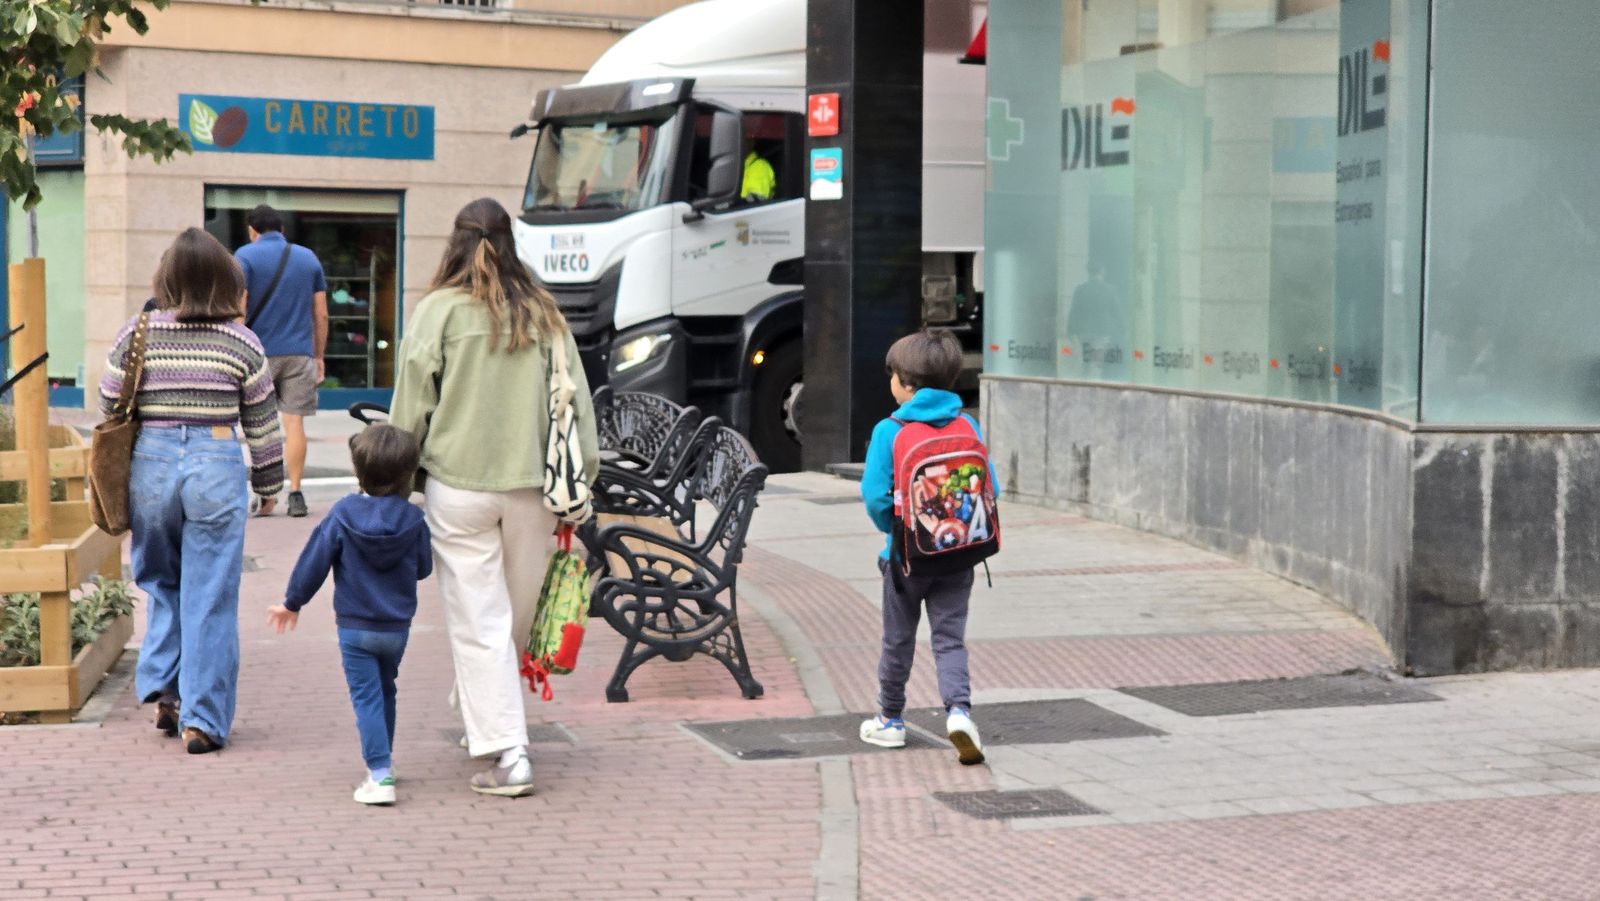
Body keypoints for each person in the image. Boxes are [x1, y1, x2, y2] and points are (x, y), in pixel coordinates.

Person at [389, 197, 599, 797]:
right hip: (534, 488)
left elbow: (411, 405)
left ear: (454, 243)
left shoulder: (438, 312)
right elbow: (577, 404)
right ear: (511, 244)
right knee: (513, 615)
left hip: (457, 486)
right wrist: (580, 481)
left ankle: (509, 751)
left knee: (480, 617)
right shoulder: (544, 313)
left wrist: (395, 484)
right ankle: (490, 719)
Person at [100, 227, 285, 754]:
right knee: (211, 596)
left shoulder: (136, 333)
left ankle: (164, 682)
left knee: (161, 579)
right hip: (216, 464)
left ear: (167, 279)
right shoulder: (241, 341)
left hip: (151, 465)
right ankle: (201, 720)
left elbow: (110, 404)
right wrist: (269, 484)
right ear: (226, 281)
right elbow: (264, 423)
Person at [266, 425, 432, 806]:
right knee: (386, 689)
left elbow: (315, 562)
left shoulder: (343, 514)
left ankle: (379, 774)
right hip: (397, 627)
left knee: (366, 697)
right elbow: (423, 568)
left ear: (359, 472)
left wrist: (292, 602)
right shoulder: (413, 519)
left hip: (355, 626)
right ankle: (384, 762)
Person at [857, 329, 988, 765]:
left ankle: (891, 720)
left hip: (905, 559)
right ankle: (959, 713)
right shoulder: (967, 424)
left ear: (906, 383)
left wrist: (893, 532)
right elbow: (992, 489)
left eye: (892, 374)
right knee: (950, 639)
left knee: (898, 639)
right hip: (960, 554)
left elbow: (876, 497)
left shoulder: (889, 431)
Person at [235, 203, 328, 519]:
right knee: (294, 423)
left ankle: (267, 494)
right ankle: (297, 492)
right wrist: (318, 355)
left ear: (252, 230)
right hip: (299, 353)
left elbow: (239, 308)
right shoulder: (308, 258)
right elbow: (321, 313)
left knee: (261, 427)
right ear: (283, 230)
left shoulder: (245, 256)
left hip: (258, 354)